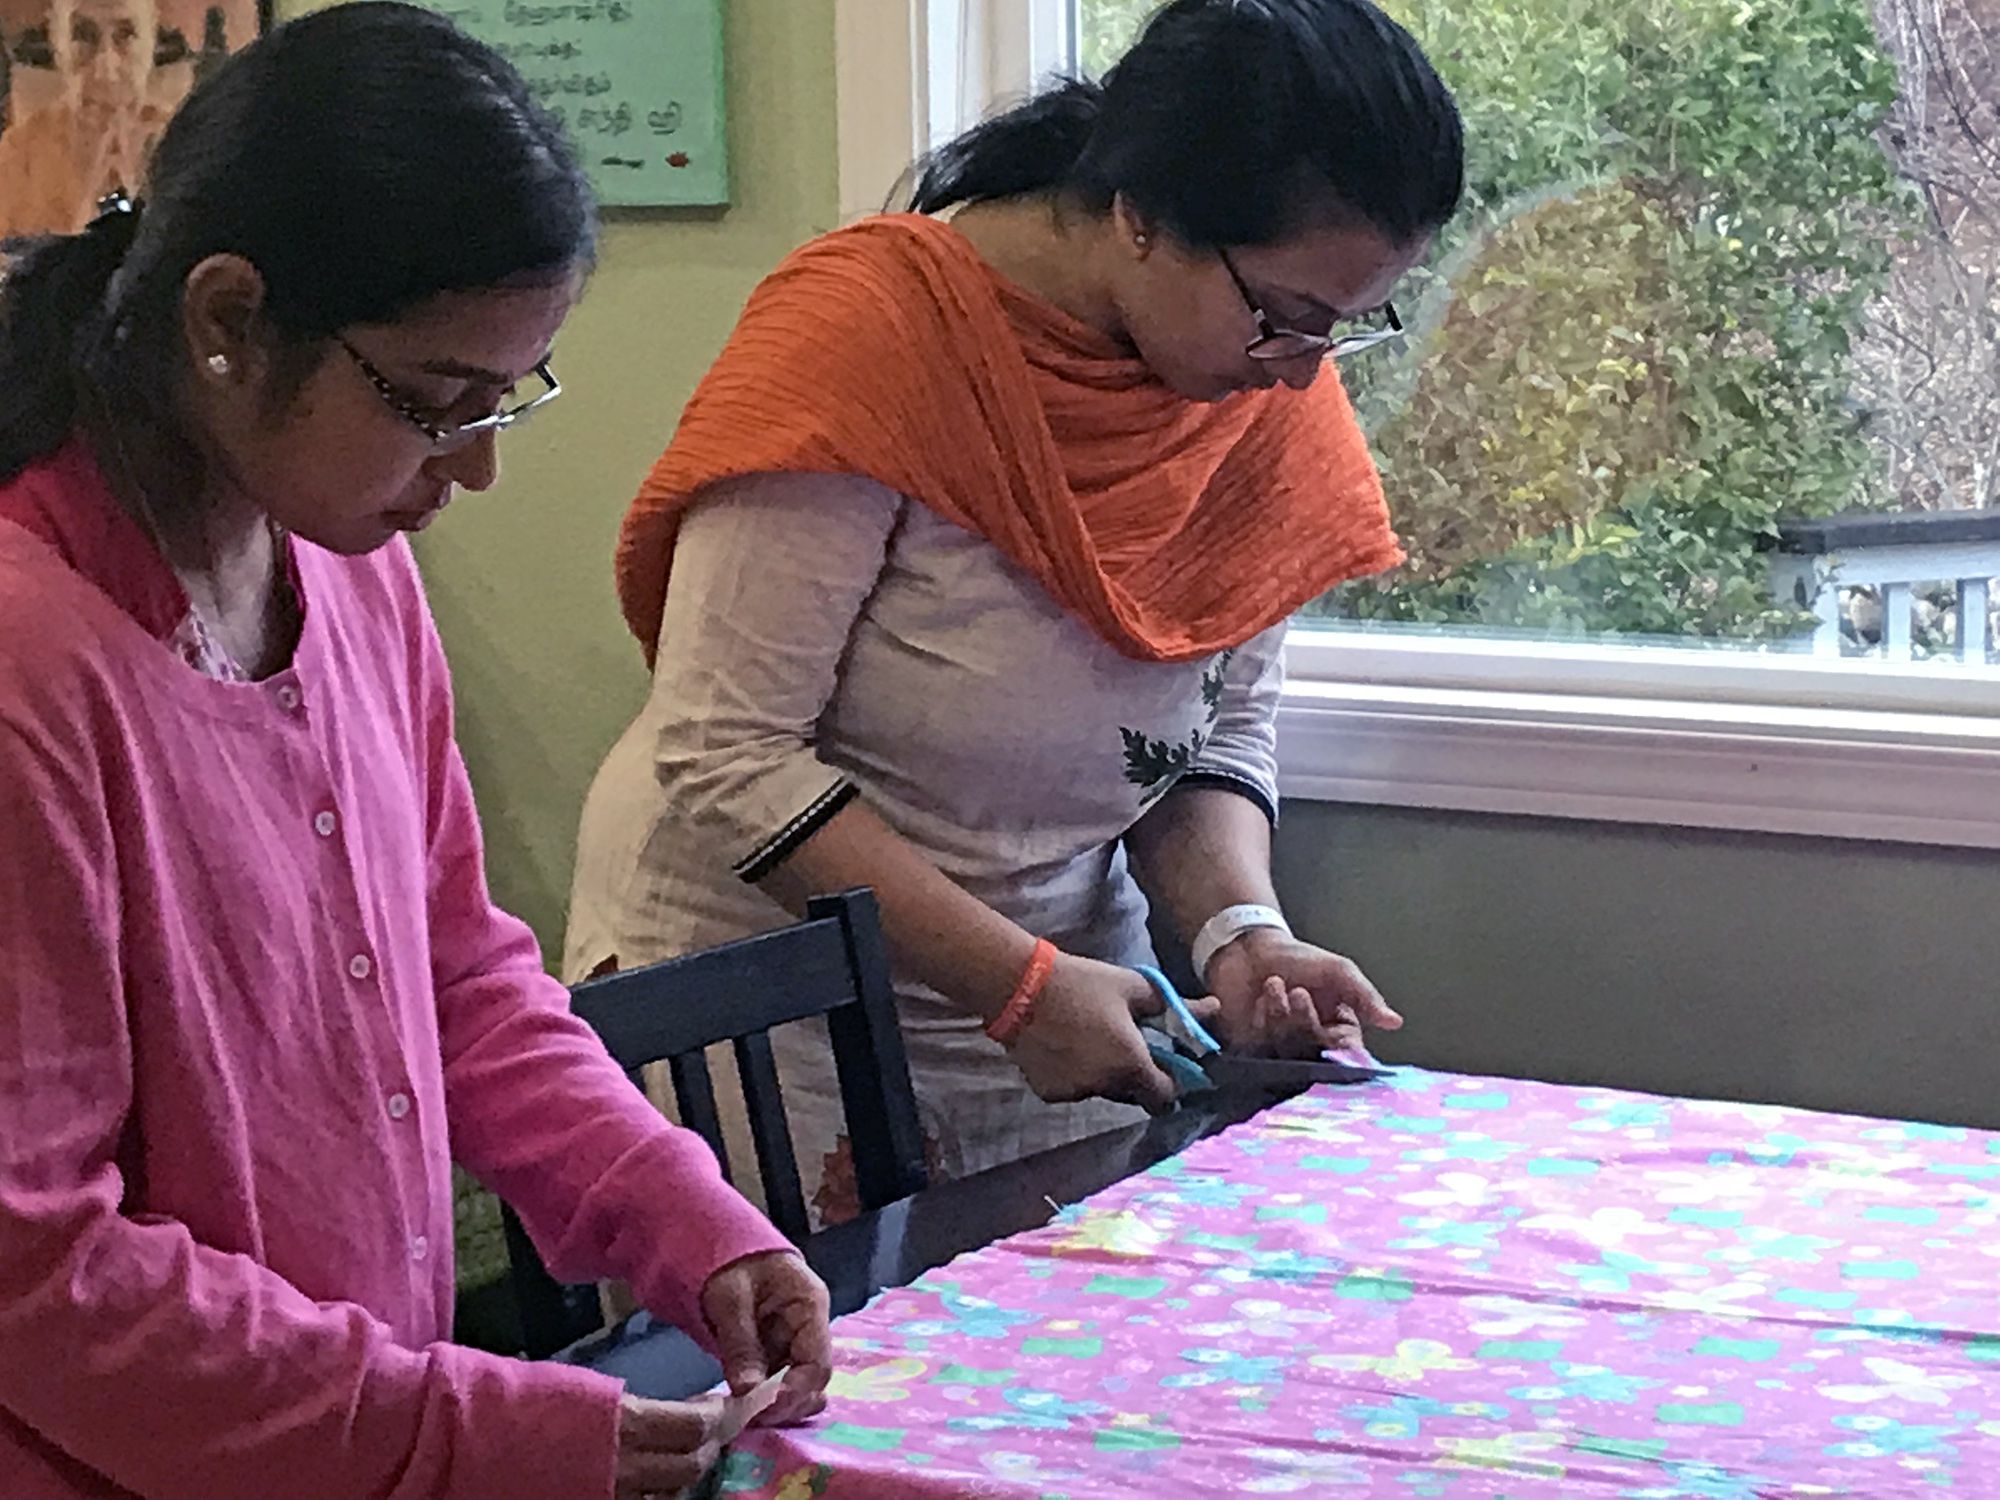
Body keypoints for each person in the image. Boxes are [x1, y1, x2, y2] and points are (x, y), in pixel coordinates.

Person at [0, 7, 828, 1498]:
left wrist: (683, 1213)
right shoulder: (32, 661)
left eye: (509, 398)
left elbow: (460, 981)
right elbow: (34, 1261)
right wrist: (448, 1434)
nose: (479, 465)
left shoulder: (354, 574)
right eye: (438, 403)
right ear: (228, 319)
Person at [567, 0, 1466, 1222]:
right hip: (770, 1010)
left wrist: (1236, 935)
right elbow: (723, 752)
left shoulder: (1247, 382)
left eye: (1343, 327)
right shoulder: (875, 335)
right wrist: (1014, 986)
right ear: (1140, 214)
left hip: (1065, 999)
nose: (1303, 369)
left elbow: (1205, 737)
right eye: (1284, 316)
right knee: (805, 1385)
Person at [0, 0, 167, 237]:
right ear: (57, 42)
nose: (106, 68)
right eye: (83, 35)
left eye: (126, 35)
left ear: (151, 42)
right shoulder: (18, 157)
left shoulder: (186, 141)